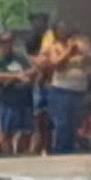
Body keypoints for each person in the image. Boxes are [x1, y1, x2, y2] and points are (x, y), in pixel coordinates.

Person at [36, 21, 91, 155]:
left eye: (66, 28)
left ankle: (70, 150)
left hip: (79, 90)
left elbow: (89, 59)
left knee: (74, 124)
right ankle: (61, 151)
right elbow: (57, 64)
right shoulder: (55, 46)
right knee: (62, 123)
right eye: (61, 29)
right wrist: (69, 51)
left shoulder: (80, 43)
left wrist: (78, 50)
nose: (64, 31)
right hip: (61, 90)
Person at [0, 32, 35, 156]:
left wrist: (26, 75)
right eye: (4, 42)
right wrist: (16, 77)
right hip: (8, 101)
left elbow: (31, 69)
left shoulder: (19, 57)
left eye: (10, 41)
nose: (7, 44)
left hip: (24, 99)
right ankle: (8, 156)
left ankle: (23, 154)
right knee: (7, 132)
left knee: (26, 130)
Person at [26, 13, 52, 155]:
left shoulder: (51, 37)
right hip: (39, 82)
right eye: (37, 21)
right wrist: (39, 69)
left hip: (50, 81)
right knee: (39, 116)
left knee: (49, 117)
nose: (39, 23)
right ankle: (39, 145)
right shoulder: (32, 39)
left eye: (42, 20)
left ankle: (47, 146)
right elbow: (31, 58)